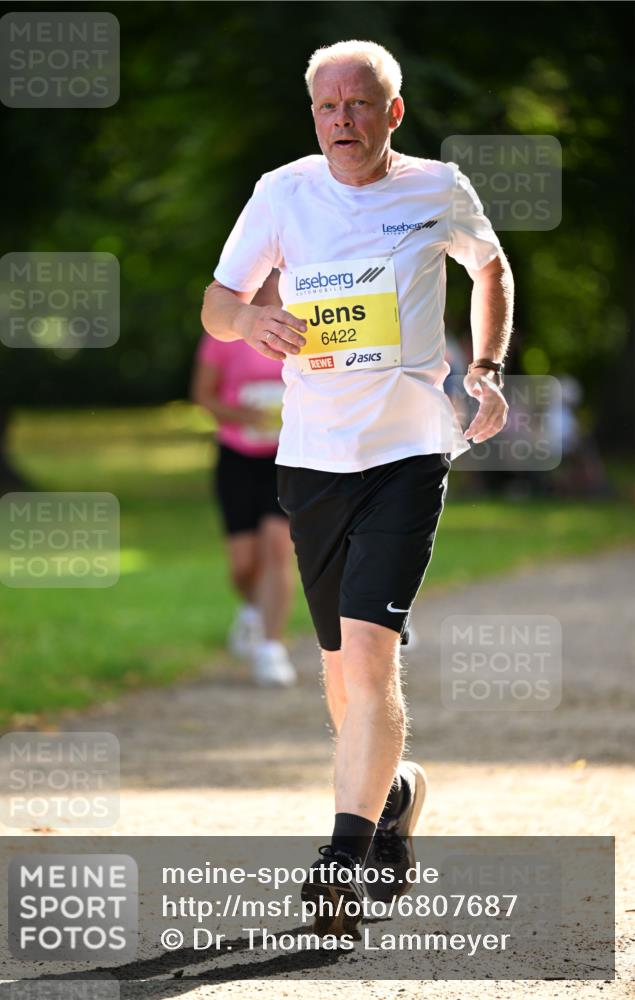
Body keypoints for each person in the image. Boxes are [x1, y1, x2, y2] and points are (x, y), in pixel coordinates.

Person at [201, 39, 514, 937]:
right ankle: (393, 796)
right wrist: (252, 320)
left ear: (393, 112)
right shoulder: (281, 193)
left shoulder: (436, 190)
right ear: (314, 116)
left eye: (360, 104)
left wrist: (485, 367)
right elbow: (218, 302)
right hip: (310, 459)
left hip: (409, 453)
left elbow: (488, 265)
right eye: (328, 107)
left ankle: (340, 857)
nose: (343, 120)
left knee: (372, 661)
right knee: (341, 680)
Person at [192, 270, 297, 687]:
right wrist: (245, 417)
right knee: (243, 562)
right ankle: (252, 608)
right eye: (265, 280)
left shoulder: (306, 324)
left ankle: (272, 649)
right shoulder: (226, 331)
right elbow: (203, 394)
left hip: (286, 456)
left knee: (277, 548)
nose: (273, 286)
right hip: (236, 455)